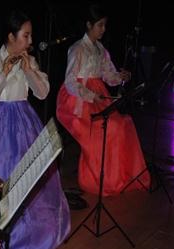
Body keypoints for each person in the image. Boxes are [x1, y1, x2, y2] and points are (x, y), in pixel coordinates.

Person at [0, 10, 71, 249]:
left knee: (29, 173)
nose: (30, 41)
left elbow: (42, 94)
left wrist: (30, 70)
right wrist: (5, 72)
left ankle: (27, 232)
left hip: (23, 120)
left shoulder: (29, 60)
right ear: (11, 36)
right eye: (26, 35)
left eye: (30, 35)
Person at [56, 4, 150, 196]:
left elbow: (108, 75)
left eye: (104, 25)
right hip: (78, 100)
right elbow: (70, 81)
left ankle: (122, 176)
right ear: (89, 25)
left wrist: (120, 77)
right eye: (100, 25)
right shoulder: (77, 49)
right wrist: (90, 95)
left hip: (98, 96)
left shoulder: (101, 49)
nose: (103, 29)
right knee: (107, 129)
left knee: (124, 124)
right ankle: (97, 181)